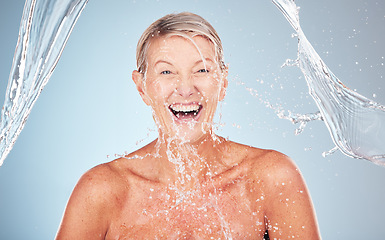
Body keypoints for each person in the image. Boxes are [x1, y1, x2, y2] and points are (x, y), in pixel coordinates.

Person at [56, 12, 321, 239]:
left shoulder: (270, 178)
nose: (185, 89)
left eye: (202, 70)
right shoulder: (102, 191)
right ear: (142, 87)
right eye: (166, 72)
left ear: (223, 82)